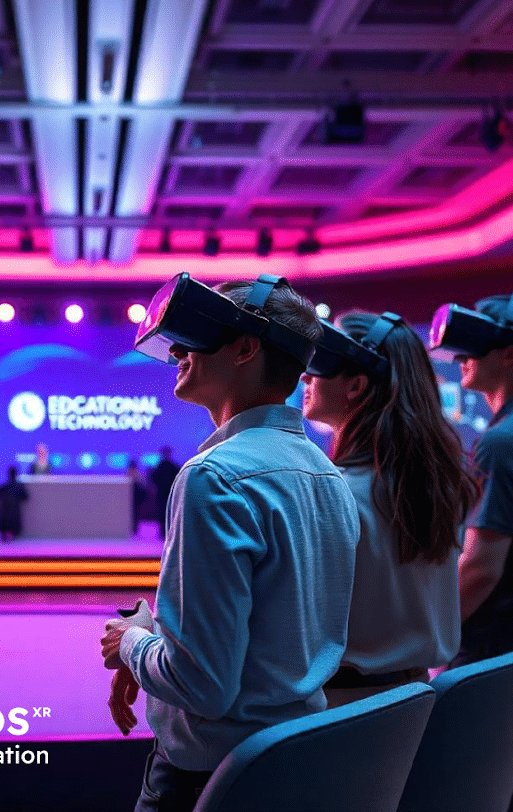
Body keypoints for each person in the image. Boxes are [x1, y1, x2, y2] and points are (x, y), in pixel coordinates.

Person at [100, 273, 360, 812]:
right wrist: (162, 633)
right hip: (297, 762)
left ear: (245, 347)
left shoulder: (214, 477)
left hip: (210, 780)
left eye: (195, 334)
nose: (175, 348)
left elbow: (202, 686)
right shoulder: (328, 473)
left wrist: (129, 642)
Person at [301, 312, 481, 707]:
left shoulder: (332, 490)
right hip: (412, 703)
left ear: (356, 385)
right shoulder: (439, 485)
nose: (303, 377)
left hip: (337, 711)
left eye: (319, 366)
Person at [432, 290, 513, 812]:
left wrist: (431, 643)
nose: (463, 357)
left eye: (478, 346)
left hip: (498, 655)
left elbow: (482, 567)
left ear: (511, 355)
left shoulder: (504, 443)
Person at [148, 446, 180, 539]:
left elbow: (153, 478)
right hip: (167, 492)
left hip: (164, 492)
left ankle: (165, 532)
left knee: (165, 512)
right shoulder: (171, 466)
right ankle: (166, 532)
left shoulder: (162, 466)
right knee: (167, 512)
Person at [0, 466, 29, 541]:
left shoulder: (4, 487)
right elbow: (25, 497)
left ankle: (5, 534)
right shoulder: (18, 487)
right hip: (13, 511)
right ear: (15, 474)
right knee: (11, 518)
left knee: (5, 517)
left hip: (6, 510)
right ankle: (13, 534)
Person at [126, 457, 150, 535]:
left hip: (131, 497)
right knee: (135, 513)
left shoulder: (128, 473)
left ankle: (133, 528)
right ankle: (134, 528)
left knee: (132, 513)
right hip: (136, 497)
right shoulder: (137, 473)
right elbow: (143, 484)